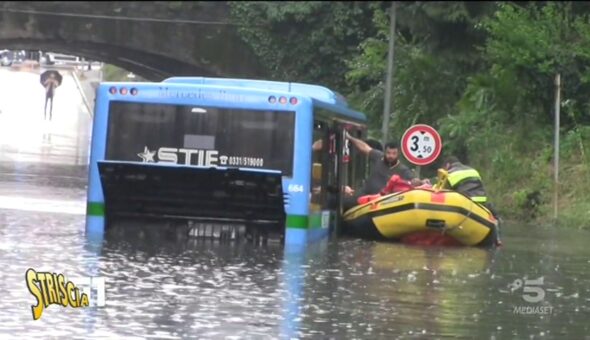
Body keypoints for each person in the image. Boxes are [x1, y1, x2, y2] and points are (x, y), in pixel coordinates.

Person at [343, 131, 428, 209]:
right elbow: (365, 147)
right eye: (388, 153)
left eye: (394, 153)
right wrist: (349, 138)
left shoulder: (403, 170)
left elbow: (414, 181)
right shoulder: (378, 157)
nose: (390, 156)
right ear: (384, 152)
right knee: (343, 202)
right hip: (364, 195)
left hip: (382, 204)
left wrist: (422, 182)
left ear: (398, 154)